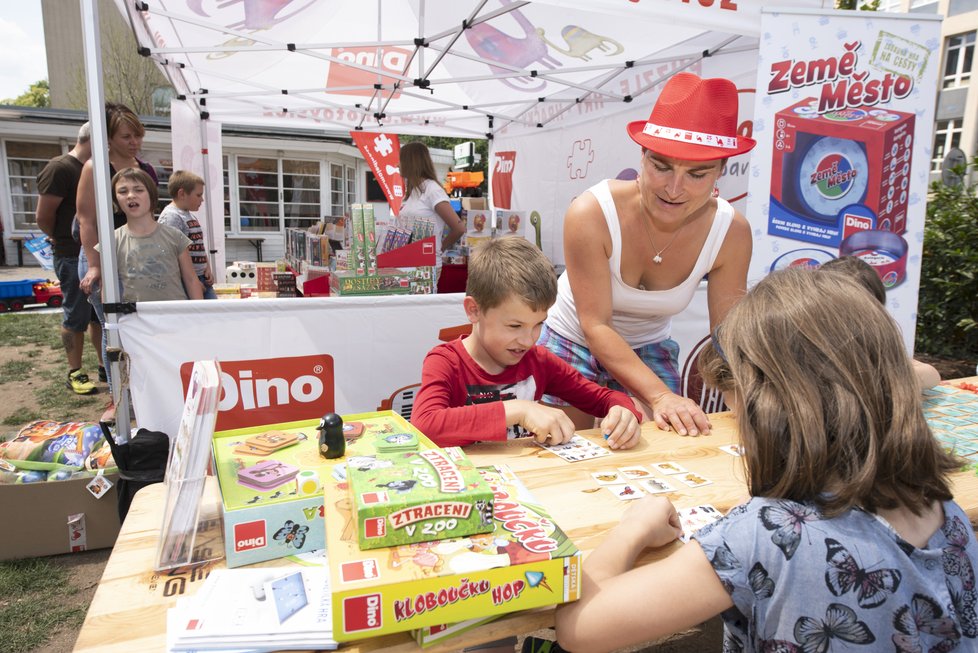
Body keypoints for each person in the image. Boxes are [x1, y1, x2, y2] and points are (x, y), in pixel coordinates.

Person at [554, 267, 977, 653]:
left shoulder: (771, 534)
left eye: (741, 419)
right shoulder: (944, 510)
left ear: (774, 413)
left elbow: (581, 629)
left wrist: (632, 528)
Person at [540, 72, 756, 438]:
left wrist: (750, 416)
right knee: (562, 447)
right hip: (572, 338)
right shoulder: (591, 213)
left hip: (648, 346)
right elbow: (596, 326)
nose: (674, 188)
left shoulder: (732, 232)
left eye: (697, 174)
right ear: (642, 156)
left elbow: (727, 338)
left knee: (670, 441)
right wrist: (660, 396)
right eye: (662, 166)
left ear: (722, 170)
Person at [411, 237, 642, 449]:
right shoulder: (445, 361)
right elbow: (424, 425)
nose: (528, 339)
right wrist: (519, 409)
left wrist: (623, 411)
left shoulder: (539, 361)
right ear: (474, 310)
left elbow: (605, 398)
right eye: (514, 326)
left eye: (539, 324)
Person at [75, 103, 158, 421]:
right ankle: (118, 399)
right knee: (114, 330)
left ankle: (141, 394)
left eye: (138, 134)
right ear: (109, 138)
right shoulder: (95, 168)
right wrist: (95, 265)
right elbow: (87, 220)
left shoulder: (145, 168)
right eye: (127, 136)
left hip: (137, 258)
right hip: (103, 257)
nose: (134, 141)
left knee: (140, 328)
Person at [35, 121, 104, 395]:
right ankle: (74, 371)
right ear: (92, 139)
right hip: (70, 254)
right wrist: (58, 238)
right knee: (75, 314)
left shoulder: (96, 168)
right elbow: (43, 216)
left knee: (98, 316)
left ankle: (102, 365)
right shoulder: (60, 168)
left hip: (96, 252)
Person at [818, 255, 941, 391]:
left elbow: (931, 375)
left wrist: (897, 379)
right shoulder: (804, 335)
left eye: (862, 309)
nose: (851, 318)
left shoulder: (875, 338)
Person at [99, 168, 203, 303]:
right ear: (115, 199)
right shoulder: (111, 241)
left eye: (138, 190)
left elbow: (191, 279)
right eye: (123, 191)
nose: (131, 195)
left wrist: (199, 313)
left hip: (176, 317)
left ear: (151, 195)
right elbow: (106, 288)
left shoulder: (175, 236)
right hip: (135, 319)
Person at [397, 141, 465, 287]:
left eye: (401, 160)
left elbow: (459, 228)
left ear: (411, 162)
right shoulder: (413, 191)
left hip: (426, 266)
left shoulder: (432, 190)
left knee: (420, 308)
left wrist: (439, 248)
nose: (398, 165)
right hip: (407, 263)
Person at [159, 170, 217, 299]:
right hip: (187, 281)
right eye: (198, 195)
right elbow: (170, 256)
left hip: (201, 277)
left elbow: (198, 244)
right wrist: (193, 283)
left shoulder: (189, 215)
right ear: (182, 194)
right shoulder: (171, 217)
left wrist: (206, 267)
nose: (202, 200)